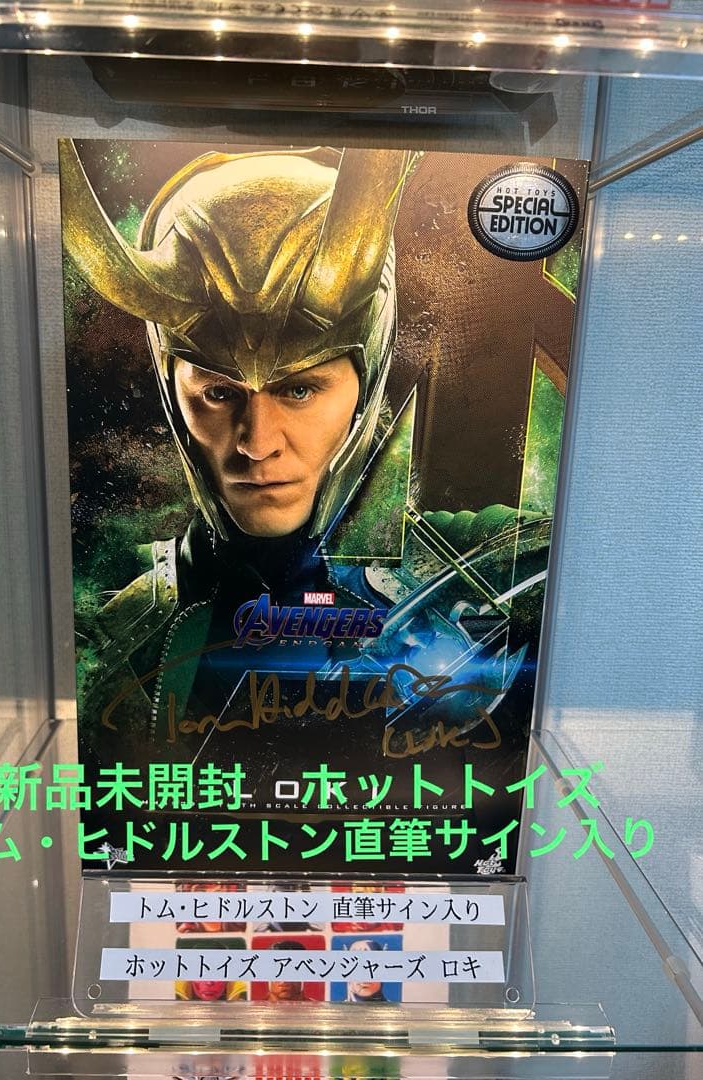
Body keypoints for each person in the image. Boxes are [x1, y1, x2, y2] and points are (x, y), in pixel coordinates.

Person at [61, 140, 550, 766]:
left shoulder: (492, 567)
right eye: (218, 393)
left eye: (299, 390)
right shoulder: (102, 622)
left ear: (366, 382)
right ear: (170, 384)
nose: (257, 443)